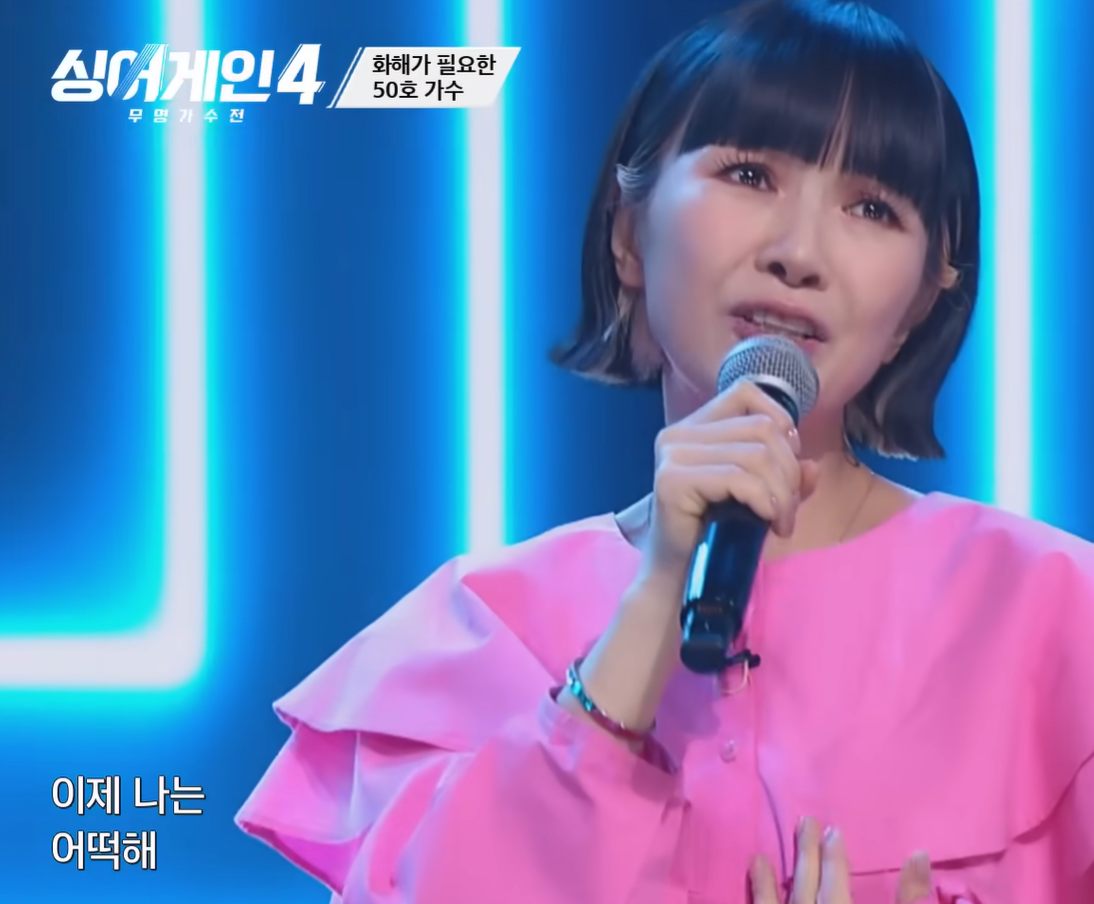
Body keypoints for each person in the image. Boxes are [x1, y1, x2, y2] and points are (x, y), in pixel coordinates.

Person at [236, 1, 1094, 902]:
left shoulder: (1052, 617)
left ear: (922, 298)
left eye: (872, 207)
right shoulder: (480, 634)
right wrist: (655, 598)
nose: (800, 253)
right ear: (628, 233)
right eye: (750, 174)